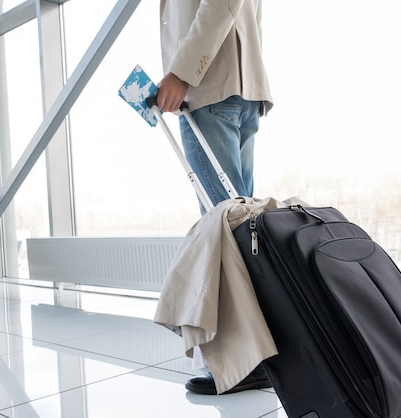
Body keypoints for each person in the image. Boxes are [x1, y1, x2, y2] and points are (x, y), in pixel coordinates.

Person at [156, 0, 274, 395]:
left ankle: (245, 362)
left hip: (210, 89)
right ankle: (262, 352)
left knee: (224, 230)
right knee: (242, 227)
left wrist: (181, 73)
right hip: (241, 86)